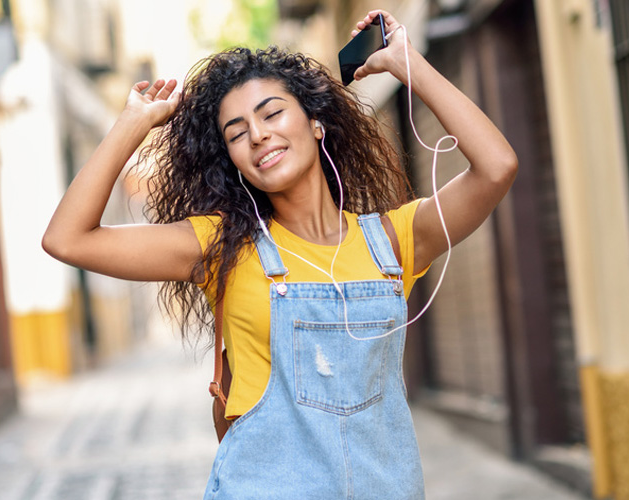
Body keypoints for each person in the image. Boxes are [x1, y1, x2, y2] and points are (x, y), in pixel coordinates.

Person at [42, 9, 517, 499]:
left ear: (316, 125)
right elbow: (68, 239)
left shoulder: (393, 239)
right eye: (236, 132)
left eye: (271, 114)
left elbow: (497, 167)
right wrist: (133, 123)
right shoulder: (219, 245)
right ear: (234, 161)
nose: (258, 134)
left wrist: (406, 63)